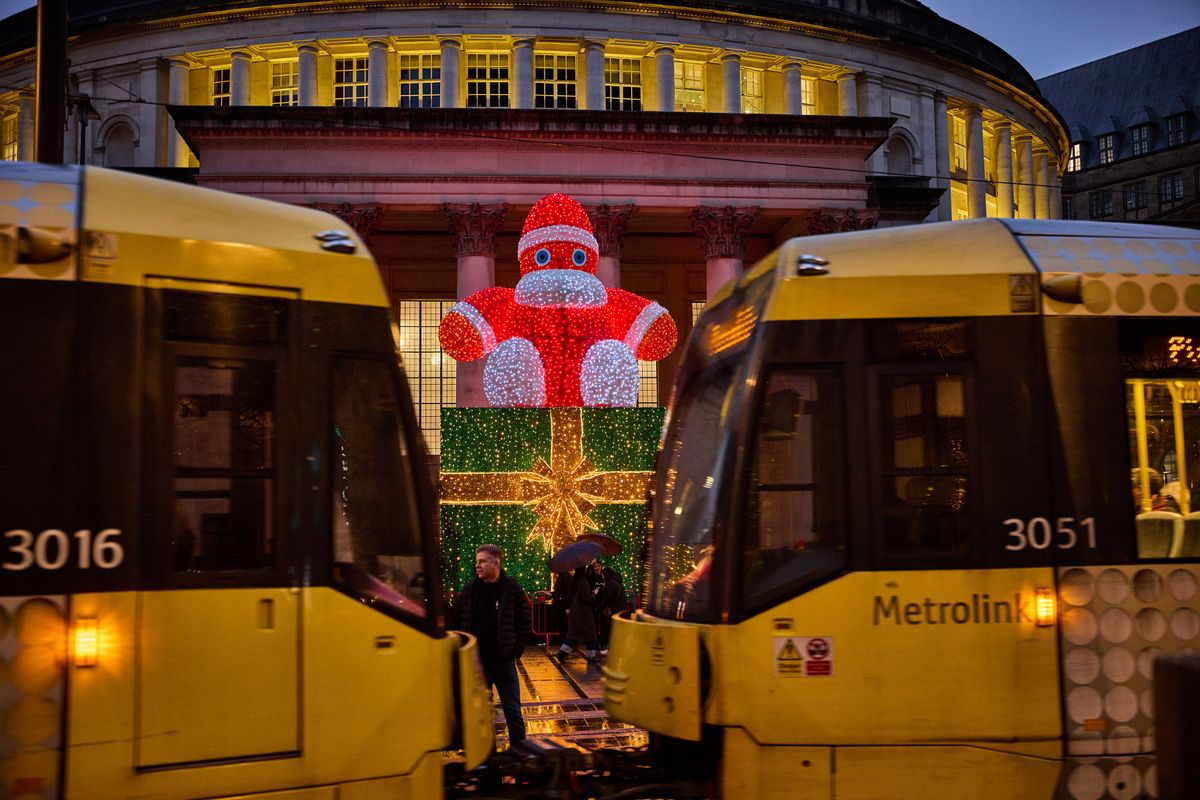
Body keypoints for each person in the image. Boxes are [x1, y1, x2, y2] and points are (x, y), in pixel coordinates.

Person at [455, 544, 531, 743]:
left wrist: (516, 650)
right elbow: (458, 619)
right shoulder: (471, 590)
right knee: (483, 715)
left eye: (482, 561)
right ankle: (489, 759)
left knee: (513, 713)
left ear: (496, 563)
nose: (477, 566)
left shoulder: (511, 588)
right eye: (476, 561)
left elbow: (525, 620)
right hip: (479, 664)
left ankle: (519, 754)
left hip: (503, 662)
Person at [552, 566, 601, 663]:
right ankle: (590, 656)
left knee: (574, 635)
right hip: (584, 612)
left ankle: (562, 652)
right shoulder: (584, 583)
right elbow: (585, 598)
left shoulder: (574, 582)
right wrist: (594, 594)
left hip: (575, 610)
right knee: (591, 635)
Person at [590, 559, 627, 654]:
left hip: (614, 610)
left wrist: (597, 609)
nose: (602, 575)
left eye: (603, 574)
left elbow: (607, 599)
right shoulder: (617, 583)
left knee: (611, 629)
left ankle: (612, 649)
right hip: (620, 610)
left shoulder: (611, 584)